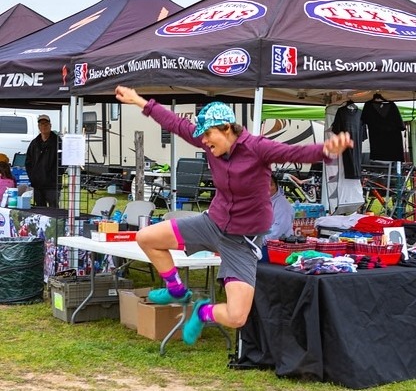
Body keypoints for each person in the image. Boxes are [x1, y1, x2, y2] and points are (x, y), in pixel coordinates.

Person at [114, 85, 353, 346]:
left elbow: (292, 152)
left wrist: (326, 150)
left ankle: (203, 312)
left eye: (208, 135)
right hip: (212, 223)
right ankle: (177, 289)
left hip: (242, 241)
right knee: (146, 237)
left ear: (227, 129)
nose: (204, 141)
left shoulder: (257, 147)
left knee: (237, 316)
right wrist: (139, 101)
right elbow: (175, 124)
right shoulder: (209, 142)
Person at [25, 114, 61, 207]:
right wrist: (32, 177)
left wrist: (55, 175)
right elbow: (28, 162)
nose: (44, 126)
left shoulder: (58, 142)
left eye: (46, 124)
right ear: (39, 127)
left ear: (50, 125)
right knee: (40, 210)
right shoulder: (34, 143)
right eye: (41, 124)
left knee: (54, 210)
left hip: (52, 185)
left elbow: (63, 162)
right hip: (37, 184)